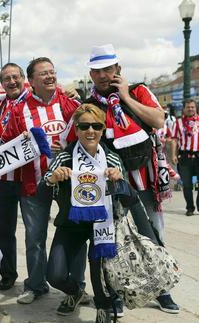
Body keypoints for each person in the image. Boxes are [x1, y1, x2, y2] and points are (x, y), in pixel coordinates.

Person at [84, 44, 179, 314]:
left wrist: (125, 96)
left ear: (118, 69)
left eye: (108, 69)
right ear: (91, 74)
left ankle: (162, 288)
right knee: (112, 237)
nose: (103, 75)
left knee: (153, 232)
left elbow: (158, 120)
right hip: (113, 180)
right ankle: (115, 292)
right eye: (97, 70)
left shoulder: (138, 91)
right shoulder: (89, 105)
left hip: (145, 176)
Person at [44, 103, 135, 323]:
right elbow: (44, 182)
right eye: (84, 126)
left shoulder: (112, 158)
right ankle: (75, 292)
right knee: (54, 275)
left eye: (96, 125)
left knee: (100, 273)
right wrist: (53, 178)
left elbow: (128, 197)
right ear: (76, 129)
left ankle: (104, 307)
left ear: (103, 129)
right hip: (71, 222)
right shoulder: (65, 156)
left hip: (102, 224)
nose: (90, 131)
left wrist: (118, 179)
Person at [0, 57, 81, 304]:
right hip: (34, 183)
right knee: (34, 237)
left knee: (77, 234)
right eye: (43, 74)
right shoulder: (19, 110)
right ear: (31, 81)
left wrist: (66, 147)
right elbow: (6, 144)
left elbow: (88, 136)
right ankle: (35, 285)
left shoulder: (70, 104)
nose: (50, 77)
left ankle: (76, 288)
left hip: (69, 182)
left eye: (52, 72)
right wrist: (22, 142)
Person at [0, 63, 29, 290]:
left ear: (24, 78)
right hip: (3, 178)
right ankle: (9, 273)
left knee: (34, 232)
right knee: (4, 230)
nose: (12, 82)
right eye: (6, 79)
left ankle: (36, 280)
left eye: (15, 77)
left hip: (30, 176)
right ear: (1, 84)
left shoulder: (33, 100)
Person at [168, 99, 199, 216]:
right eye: (188, 107)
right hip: (184, 156)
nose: (190, 109)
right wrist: (173, 155)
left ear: (195, 108)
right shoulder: (178, 122)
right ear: (184, 108)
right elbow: (174, 140)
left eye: (192, 107)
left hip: (198, 155)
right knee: (187, 185)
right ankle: (190, 208)